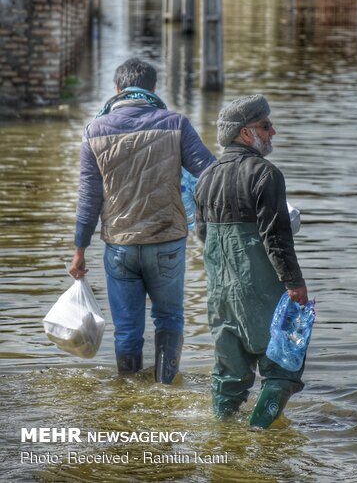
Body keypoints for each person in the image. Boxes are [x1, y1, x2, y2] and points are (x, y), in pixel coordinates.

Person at [69, 57, 215, 382]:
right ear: (153, 88)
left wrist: (79, 250)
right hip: (167, 242)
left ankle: (128, 395)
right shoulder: (175, 123)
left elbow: (89, 199)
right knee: (169, 319)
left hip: (120, 246)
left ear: (117, 89)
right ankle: (165, 390)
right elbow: (209, 173)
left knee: (127, 330)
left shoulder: (95, 131)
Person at [194, 94, 309, 428]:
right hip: (262, 294)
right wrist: (295, 284)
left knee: (229, 375)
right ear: (245, 133)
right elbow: (276, 238)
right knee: (284, 368)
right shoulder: (266, 175)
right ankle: (259, 436)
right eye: (265, 125)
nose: (273, 131)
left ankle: (224, 437)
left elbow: (203, 235)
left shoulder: (206, 178)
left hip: (220, 294)